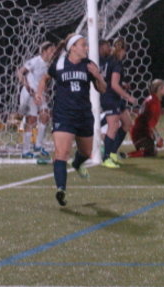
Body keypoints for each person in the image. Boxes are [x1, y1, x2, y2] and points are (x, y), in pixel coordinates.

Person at [35, 33, 107, 206]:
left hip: (84, 115)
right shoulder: (59, 64)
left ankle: (77, 163)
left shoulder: (89, 65)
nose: (86, 47)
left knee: (86, 152)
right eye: (83, 44)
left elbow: (103, 89)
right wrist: (39, 92)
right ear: (73, 47)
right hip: (63, 115)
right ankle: (61, 189)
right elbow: (45, 78)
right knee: (61, 153)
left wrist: (98, 76)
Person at [100, 38, 137, 169]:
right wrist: (128, 97)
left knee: (127, 123)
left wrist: (123, 84)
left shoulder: (109, 60)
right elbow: (114, 85)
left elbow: (110, 80)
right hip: (110, 97)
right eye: (125, 51)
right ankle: (106, 158)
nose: (125, 53)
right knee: (113, 127)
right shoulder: (116, 63)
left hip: (114, 97)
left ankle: (113, 153)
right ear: (122, 50)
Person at [16, 41, 56, 158]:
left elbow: (43, 81)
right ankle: (25, 151)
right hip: (29, 94)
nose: (53, 53)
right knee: (31, 120)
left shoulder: (49, 65)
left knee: (45, 116)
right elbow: (19, 72)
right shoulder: (35, 61)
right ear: (43, 51)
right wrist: (28, 88)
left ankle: (38, 145)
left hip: (39, 94)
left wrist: (45, 93)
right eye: (51, 51)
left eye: (53, 51)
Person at [129, 79, 164, 157]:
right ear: (159, 89)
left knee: (153, 150)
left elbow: (145, 119)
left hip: (140, 132)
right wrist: (158, 137)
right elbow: (149, 123)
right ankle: (126, 155)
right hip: (140, 134)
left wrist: (156, 137)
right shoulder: (154, 102)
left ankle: (143, 149)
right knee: (150, 152)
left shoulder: (151, 99)